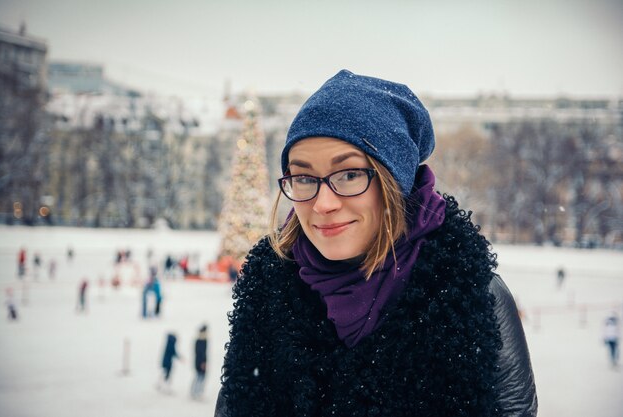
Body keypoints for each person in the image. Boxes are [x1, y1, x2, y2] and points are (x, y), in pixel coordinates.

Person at [215, 70, 537, 417]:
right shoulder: (268, 290)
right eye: (305, 177)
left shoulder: (473, 294)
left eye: (350, 174)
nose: (323, 204)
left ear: (394, 184)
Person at [191, 324, 208, 400]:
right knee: (199, 377)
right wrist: (203, 363)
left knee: (200, 377)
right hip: (200, 362)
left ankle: (196, 392)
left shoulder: (202, 340)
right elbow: (200, 353)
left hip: (200, 362)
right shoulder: (201, 341)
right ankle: (196, 392)